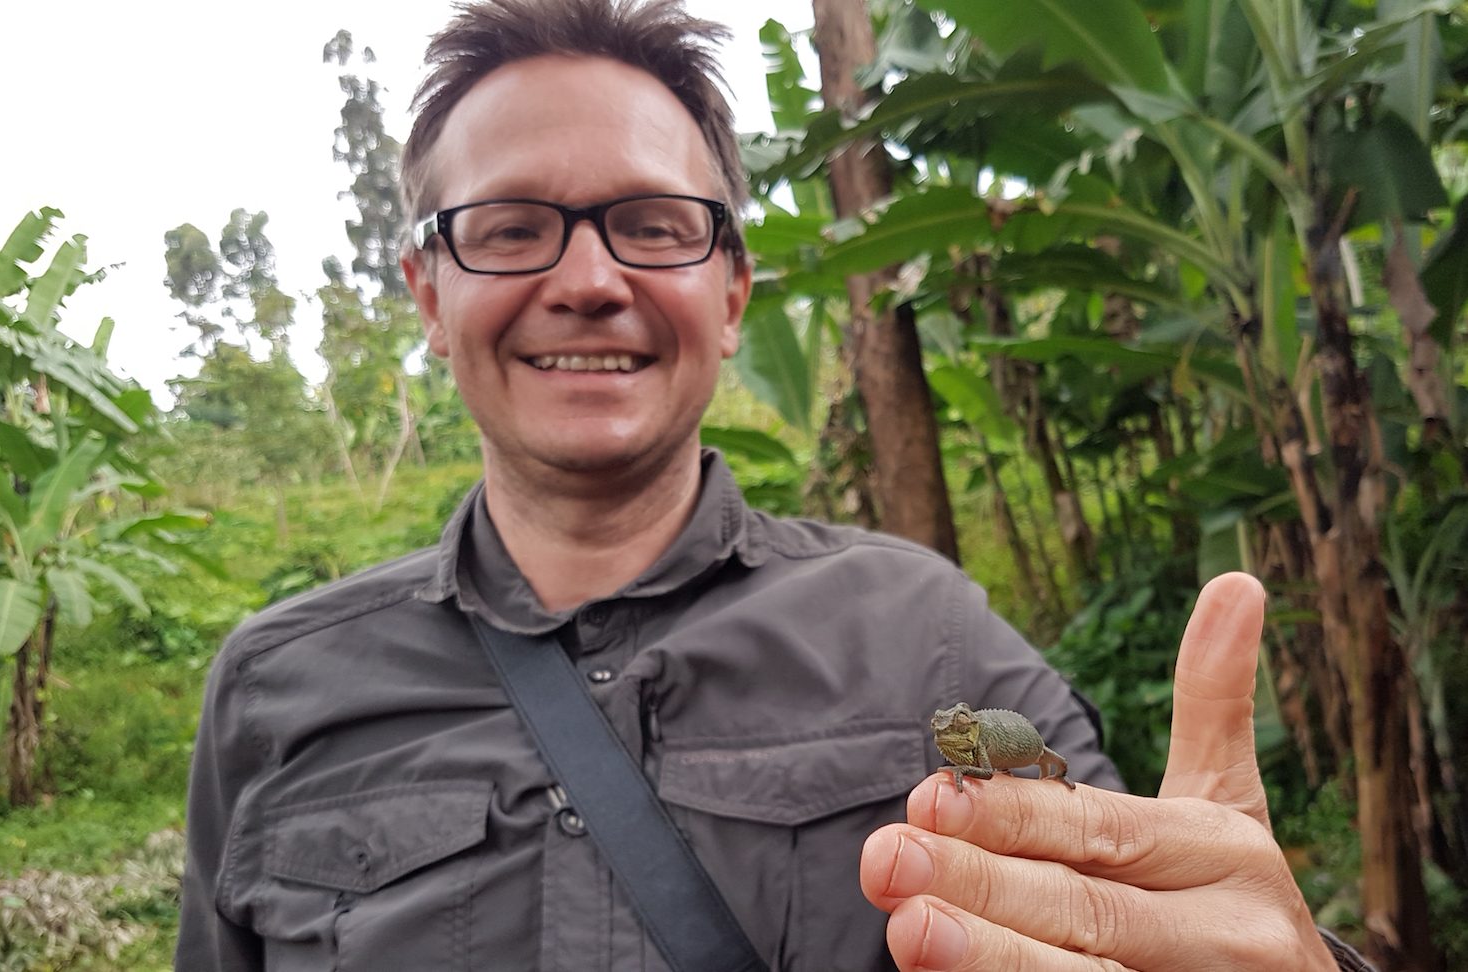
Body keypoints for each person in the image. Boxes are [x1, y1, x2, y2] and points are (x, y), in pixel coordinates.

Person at [174, 1, 1370, 969]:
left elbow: (1133, 904)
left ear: (732, 293)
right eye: (509, 227)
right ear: (429, 293)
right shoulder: (273, 689)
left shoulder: (925, 635)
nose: (586, 281)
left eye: (652, 224)